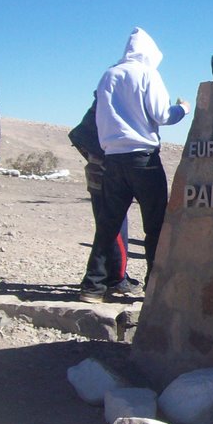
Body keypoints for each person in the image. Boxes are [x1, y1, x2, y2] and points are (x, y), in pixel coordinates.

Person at [79, 27, 188, 303]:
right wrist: (183, 109)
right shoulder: (148, 74)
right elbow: (162, 114)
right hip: (144, 159)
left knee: (108, 224)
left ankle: (93, 286)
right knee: (154, 224)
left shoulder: (109, 74)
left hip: (113, 158)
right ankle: (155, 286)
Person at [68, 94, 138, 295]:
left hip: (100, 167)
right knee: (113, 225)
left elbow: (80, 136)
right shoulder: (113, 105)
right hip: (103, 170)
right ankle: (114, 277)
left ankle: (109, 276)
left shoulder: (105, 104)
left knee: (108, 223)